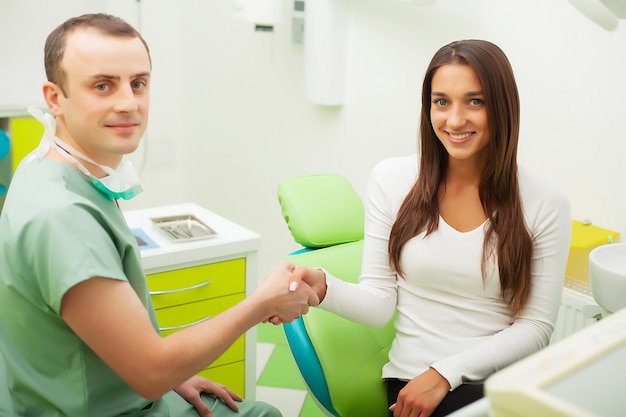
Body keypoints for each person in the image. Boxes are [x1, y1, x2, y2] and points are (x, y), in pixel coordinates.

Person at [0, 13, 318, 417]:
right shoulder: (63, 219)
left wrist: (173, 374)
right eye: (103, 85)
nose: (128, 103)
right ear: (54, 99)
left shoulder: (43, 166)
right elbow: (150, 373)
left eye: (138, 83)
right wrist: (261, 302)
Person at [291, 39, 571, 417]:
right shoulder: (393, 179)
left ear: (503, 107)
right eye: (442, 102)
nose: (454, 120)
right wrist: (323, 285)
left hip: (502, 383)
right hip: (414, 383)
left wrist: (448, 372)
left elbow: (536, 326)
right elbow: (378, 303)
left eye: (475, 101)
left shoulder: (544, 200)